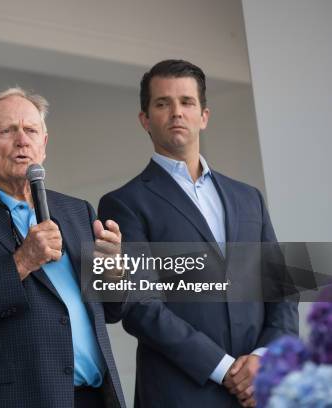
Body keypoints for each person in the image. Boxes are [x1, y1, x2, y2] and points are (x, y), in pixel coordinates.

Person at [98, 59, 298, 408]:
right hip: (179, 393)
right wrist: (224, 369)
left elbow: (280, 287)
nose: (176, 112)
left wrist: (263, 360)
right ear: (145, 119)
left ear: (204, 115)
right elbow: (139, 306)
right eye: (163, 103)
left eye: (186, 102)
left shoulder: (248, 197)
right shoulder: (121, 204)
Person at [0, 87, 126, 408]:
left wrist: (113, 274)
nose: (21, 140)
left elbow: (111, 311)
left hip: (94, 398)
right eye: (7, 131)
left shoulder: (77, 211)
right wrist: (21, 263)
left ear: (44, 144)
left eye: (31, 130)